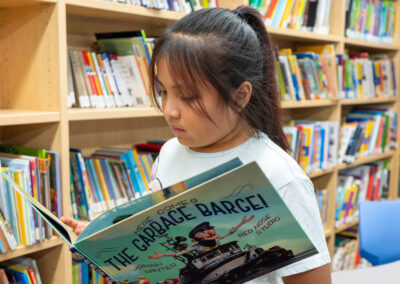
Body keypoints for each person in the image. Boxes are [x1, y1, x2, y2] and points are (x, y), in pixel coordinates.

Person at [62, 5, 331, 284]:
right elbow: (153, 233)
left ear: (239, 96)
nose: (169, 110)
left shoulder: (281, 176)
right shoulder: (168, 153)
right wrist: (106, 244)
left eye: (188, 97)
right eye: (163, 91)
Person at [148, 216, 254, 259]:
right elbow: (179, 253)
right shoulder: (197, 247)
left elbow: (230, 232)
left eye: (208, 229)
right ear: (195, 239)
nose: (208, 232)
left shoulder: (216, 240)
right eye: (201, 233)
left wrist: (241, 223)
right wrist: (162, 254)